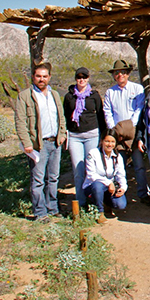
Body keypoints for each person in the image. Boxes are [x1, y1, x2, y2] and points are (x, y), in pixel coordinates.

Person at [14, 62, 66, 223]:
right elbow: (20, 121)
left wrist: (62, 134)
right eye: (38, 76)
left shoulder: (54, 94)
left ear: (49, 77)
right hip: (38, 145)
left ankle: (52, 208)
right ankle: (40, 212)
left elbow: (61, 116)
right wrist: (26, 142)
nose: (41, 79)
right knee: (38, 179)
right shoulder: (25, 96)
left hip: (55, 142)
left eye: (44, 76)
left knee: (53, 178)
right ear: (33, 77)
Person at [103, 60, 150, 206]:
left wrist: (130, 126)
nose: (120, 75)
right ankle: (117, 195)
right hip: (117, 135)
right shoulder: (110, 92)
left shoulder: (137, 89)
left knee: (139, 165)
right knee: (118, 166)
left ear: (128, 74)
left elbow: (139, 109)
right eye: (117, 72)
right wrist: (114, 130)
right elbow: (108, 112)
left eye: (123, 72)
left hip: (134, 132)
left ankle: (143, 194)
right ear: (113, 75)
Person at [63, 67, 105, 207]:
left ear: (88, 78)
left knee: (91, 168)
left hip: (92, 134)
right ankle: (81, 202)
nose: (82, 80)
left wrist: (103, 136)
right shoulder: (69, 96)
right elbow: (65, 116)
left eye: (84, 77)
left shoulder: (94, 95)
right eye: (79, 77)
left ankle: (94, 200)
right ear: (75, 78)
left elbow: (100, 115)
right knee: (78, 169)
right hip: (75, 135)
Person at [83, 129, 127, 224]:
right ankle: (99, 212)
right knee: (97, 185)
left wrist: (123, 188)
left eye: (112, 142)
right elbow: (91, 175)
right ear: (102, 141)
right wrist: (108, 182)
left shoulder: (117, 156)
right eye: (107, 141)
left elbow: (121, 175)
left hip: (109, 188)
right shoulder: (93, 153)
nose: (109, 144)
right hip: (93, 186)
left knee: (121, 204)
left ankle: (106, 204)